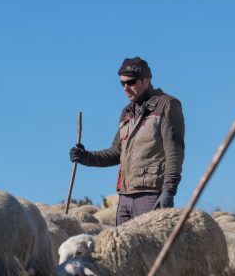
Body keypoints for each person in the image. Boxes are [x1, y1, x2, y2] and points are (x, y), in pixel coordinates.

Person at [69, 57, 185, 226]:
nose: (125, 88)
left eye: (130, 82)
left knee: (152, 250)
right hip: (124, 197)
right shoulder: (127, 112)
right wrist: (85, 157)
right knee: (123, 250)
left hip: (151, 195)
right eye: (122, 84)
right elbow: (116, 152)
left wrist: (169, 191)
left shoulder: (167, 105)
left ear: (146, 80)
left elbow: (175, 152)